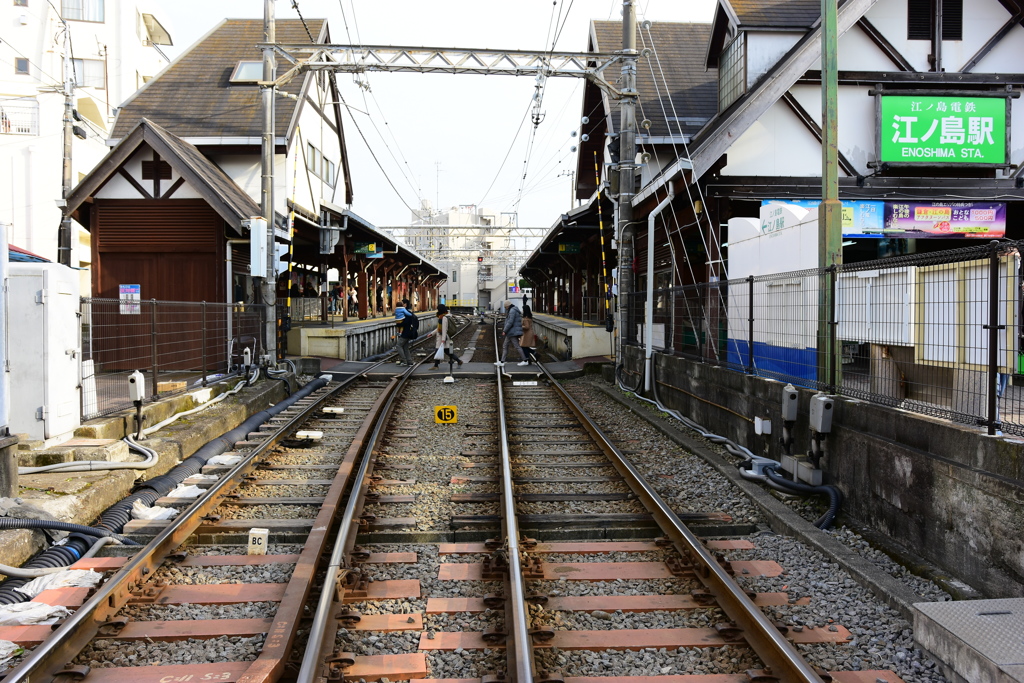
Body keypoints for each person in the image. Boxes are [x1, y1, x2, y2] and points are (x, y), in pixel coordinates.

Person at [431, 303, 462, 370]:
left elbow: (444, 329)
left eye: (438, 309)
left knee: (438, 350)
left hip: (443, 337)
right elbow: (439, 328)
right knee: (447, 352)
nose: (437, 310)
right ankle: (459, 361)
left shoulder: (444, 318)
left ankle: (436, 366)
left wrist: (443, 339)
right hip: (442, 337)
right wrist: (432, 333)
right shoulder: (442, 317)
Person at [498, 300, 526, 367]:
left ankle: (525, 360)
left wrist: (504, 330)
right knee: (505, 345)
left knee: (516, 346)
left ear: (507, 306)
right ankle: (502, 361)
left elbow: (510, 322)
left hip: (512, 332)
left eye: (505, 307)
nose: (505, 308)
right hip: (511, 331)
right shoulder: (513, 310)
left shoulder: (512, 311)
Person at [394, 299, 418, 366]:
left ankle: (404, 361)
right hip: (409, 332)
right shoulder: (409, 313)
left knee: (398, 346)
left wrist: (398, 324)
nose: (402, 305)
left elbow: (404, 323)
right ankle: (409, 361)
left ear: (405, 304)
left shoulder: (406, 314)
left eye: (403, 303)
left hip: (405, 333)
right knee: (405, 347)